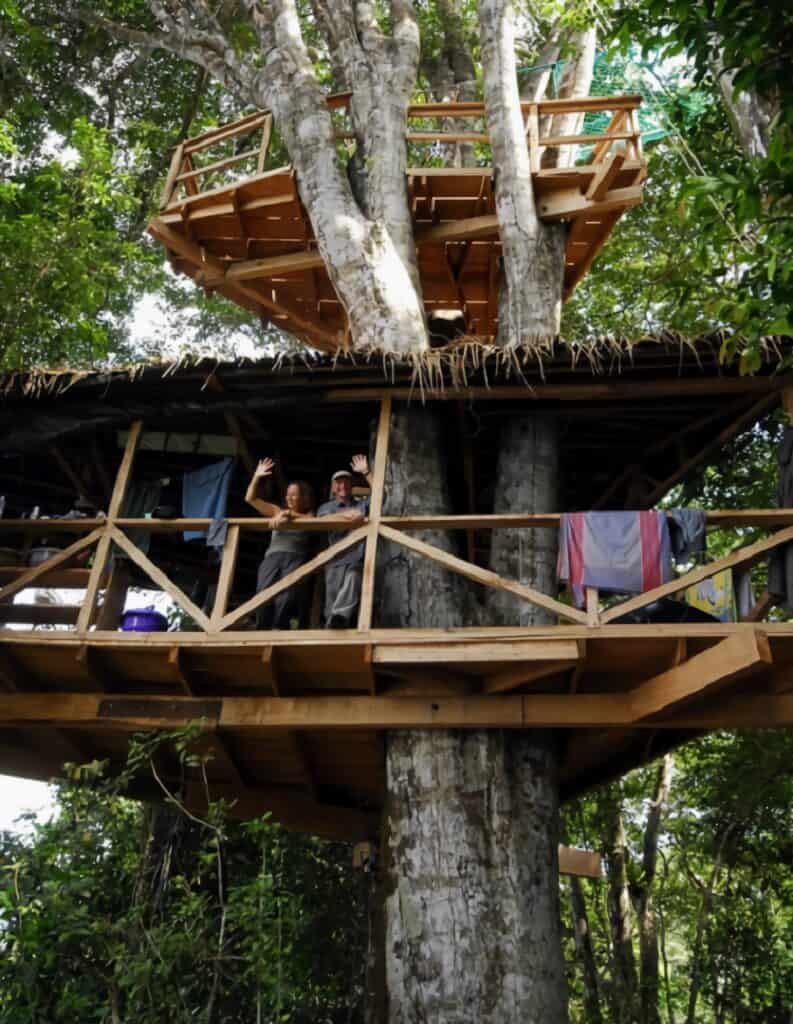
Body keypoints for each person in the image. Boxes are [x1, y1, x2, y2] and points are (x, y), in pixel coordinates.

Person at [245, 458, 316, 629]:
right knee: (263, 591)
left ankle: (279, 627)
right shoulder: (277, 511)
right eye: (287, 494)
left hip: (295, 557)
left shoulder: (310, 514)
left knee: (287, 595)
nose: (289, 497)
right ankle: (262, 627)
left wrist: (289, 516)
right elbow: (250, 499)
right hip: (272, 556)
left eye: (294, 494)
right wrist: (257, 476)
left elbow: (311, 520)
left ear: (303, 497)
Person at [317, 454, 371, 628]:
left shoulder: (361, 505)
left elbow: (382, 495)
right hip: (335, 560)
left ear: (351, 485)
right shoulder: (326, 507)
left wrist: (366, 472)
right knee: (330, 606)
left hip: (357, 558)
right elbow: (321, 521)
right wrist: (346, 515)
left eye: (346, 481)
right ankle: (330, 630)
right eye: (339, 482)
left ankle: (339, 617)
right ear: (333, 488)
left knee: (355, 577)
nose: (343, 485)